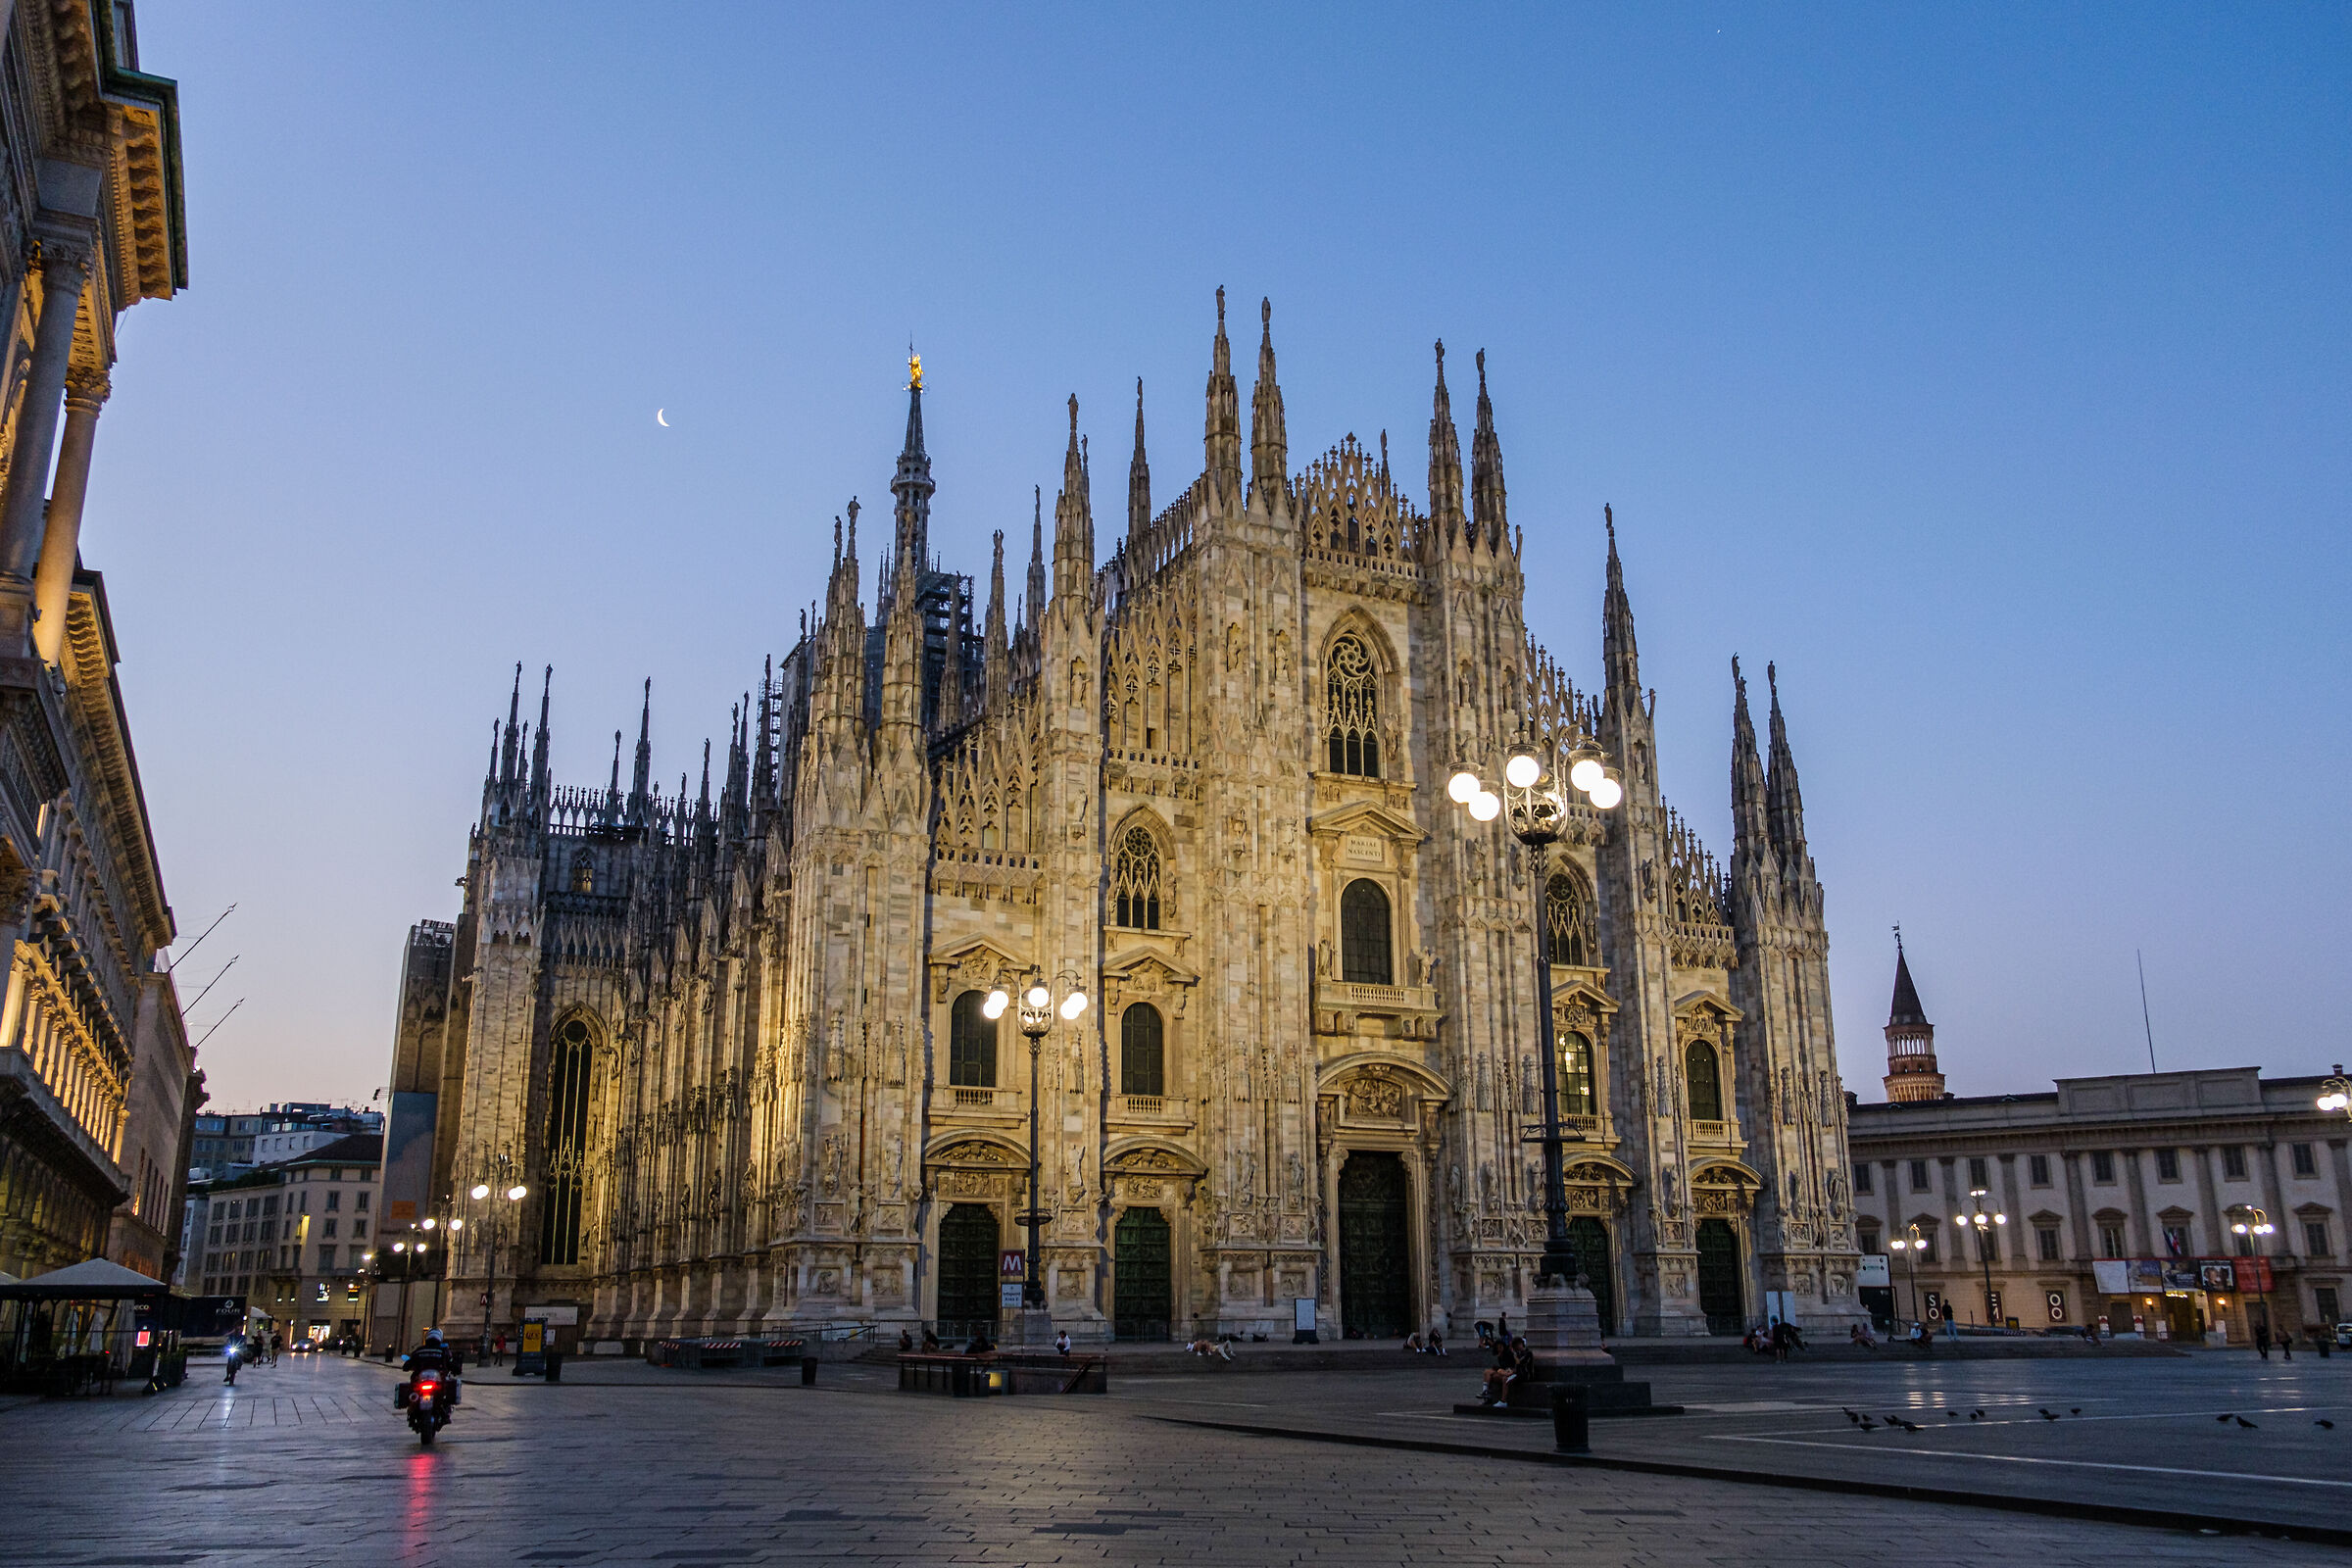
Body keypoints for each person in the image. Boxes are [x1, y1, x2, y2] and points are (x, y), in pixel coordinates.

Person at [401, 1328, 464, 1407]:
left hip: (420, 1384)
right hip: (438, 1386)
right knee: (445, 1398)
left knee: (413, 1396)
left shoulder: (419, 1351)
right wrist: (456, 1369)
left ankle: (413, 1409)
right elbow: (452, 1365)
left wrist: (407, 1367)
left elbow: (407, 1366)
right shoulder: (444, 1352)